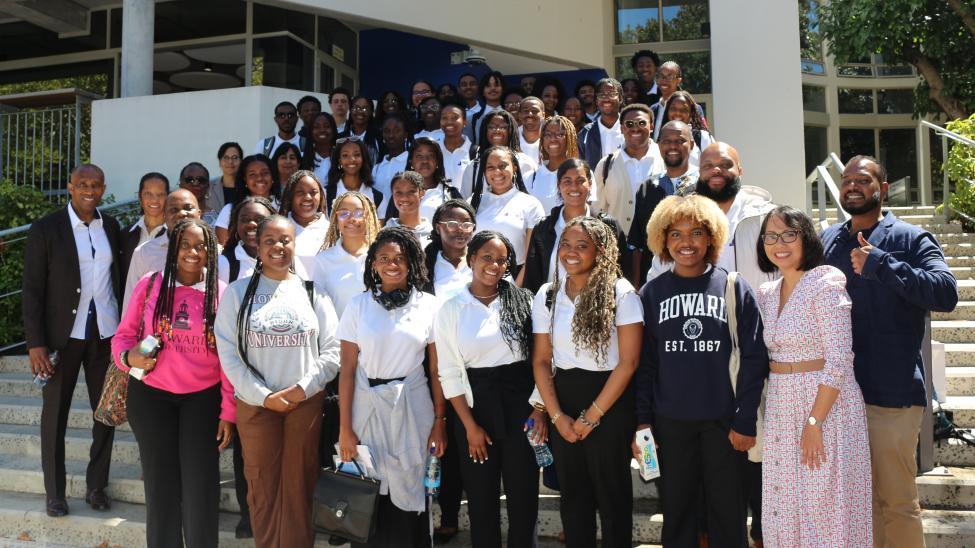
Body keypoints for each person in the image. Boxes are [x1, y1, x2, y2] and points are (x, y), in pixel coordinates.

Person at [821, 155, 958, 548]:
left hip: (892, 398)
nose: (851, 186)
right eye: (846, 179)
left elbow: (945, 293)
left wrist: (880, 263)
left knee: (896, 503)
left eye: (862, 180)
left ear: (882, 190)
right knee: (856, 505)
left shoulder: (911, 239)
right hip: (839, 398)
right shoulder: (829, 240)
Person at [636, 194, 768, 548]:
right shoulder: (651, 293)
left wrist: (744, 421)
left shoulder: (733, 286)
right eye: (675, 234)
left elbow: (754, 358)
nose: (686, 242)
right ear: (662, 240)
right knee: (677, 515)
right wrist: (642, 423)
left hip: (723, 424)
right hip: (670, 424)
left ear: (711, 238)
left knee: (728, 514)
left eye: (695, 232)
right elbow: (644, 365)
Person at [215, 215, 341, 548]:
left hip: (305, 403)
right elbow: (228, 352)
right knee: (262, 485)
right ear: (258, 245)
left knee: (300, 484)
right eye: (270, 240)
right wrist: (262, 395)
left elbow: (333, 351)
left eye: (285, 240)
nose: (278, 247)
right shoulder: (238, 294)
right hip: (257, 406)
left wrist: (303, 388)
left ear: (294, 244)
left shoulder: (313, 293)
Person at [112, 218, 235, 547]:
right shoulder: (150, 284)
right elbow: (123, 336)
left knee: (200, 486)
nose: (192, 252)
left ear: (211, 252)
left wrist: (228, 411)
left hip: (203, 400)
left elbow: (228, 357)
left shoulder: (222, 294)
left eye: (201, 246)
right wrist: (128, 358)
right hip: (151, 398)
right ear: (173, 249)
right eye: (185, 245)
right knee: (160, 486)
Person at [755, 206, 873, 547]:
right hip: (781, 407)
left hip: (825, 407)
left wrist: (813, 422)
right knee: (784, 503)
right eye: (771, 236)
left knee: (825, 505)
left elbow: (839, 358)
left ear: (805, 238)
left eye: (789, 234)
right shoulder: (766, 293)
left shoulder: (826, 281)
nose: (780, 243)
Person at [530, 216, 643, 547]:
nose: (571, 252)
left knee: (613, 499)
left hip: (610, 402)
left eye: (582, 246)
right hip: (563, 399)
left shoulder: (621, 293)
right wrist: (556, 416)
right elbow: (540, 361)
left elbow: (629, 362)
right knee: (573, 500)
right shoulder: (547, 295)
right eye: (566, 244)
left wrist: (592, 415)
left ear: (601, 250)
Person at [336, 227, 448, 548]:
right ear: (373, 263)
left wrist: (440, 423)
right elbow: (347, 370)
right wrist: (345, 429)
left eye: (400, 258)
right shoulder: (357, 306)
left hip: (412, 410)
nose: (392, 264)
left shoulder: (429, 306)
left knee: (410, 497)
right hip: (365, 410)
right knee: (369, 497)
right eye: (384, 258)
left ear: (412, 263)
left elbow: (437, 369)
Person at [23, 164, 121, 517]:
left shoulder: (110, 225)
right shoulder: (46, 228)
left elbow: (118, 278)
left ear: (103, 188)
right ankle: (55, 493)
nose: (89, 190)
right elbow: (32, 290)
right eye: (82, 184)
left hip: (104, 335)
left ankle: (97, 487)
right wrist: (35, 344)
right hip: (61, 339)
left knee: (105, 415)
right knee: (55, 418)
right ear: (69, 187)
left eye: (96, 185)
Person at [435, 231, 542, 547]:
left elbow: (542, 361)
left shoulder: (525, 301)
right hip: (475, 413)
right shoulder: (451, 309)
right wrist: (469, 426)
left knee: (524, 500)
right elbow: (450, 373)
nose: (494, 265)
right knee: (481, 502)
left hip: (522, 410)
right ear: (471, 260)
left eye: (501, 260)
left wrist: (539, 410)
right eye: (486, 257)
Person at [523, 158, 628, 293]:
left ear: (590, 184)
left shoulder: (608, 226)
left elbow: (622, 272)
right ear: (558, 186)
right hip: (551, 308)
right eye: (567, 181)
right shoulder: (543, 228)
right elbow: (532, 279)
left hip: (597, 308)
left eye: (580, 181)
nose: (574, 187)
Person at [626, 121, 695, 286]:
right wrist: (637, 287)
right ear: (658, 145)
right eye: (666, 141)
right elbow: (638, 244)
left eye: (679, 141)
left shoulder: (705, 185)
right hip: (658, 284)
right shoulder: (647, 188)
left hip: (697, 279)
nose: (673, 146)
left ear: (691, 144)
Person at [470, 145, 546, 282]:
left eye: (502, 166)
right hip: (476, 279)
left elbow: (531, 258)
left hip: (516, 280)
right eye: (490, 167)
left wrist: (515, 292)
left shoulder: (531, 204)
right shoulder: (473, 202)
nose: (497, 172)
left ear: (515, 168)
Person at [123, 189, 201, 314]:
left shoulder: (214, 253)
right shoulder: (144, 252)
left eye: (188, 207)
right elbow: (131, 304)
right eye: (173, 210)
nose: (182, 213)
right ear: (164, 216)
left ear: (199, 213)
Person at [592, 103, 664, 238]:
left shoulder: (665, 160)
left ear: (652, 126)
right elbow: (597, 210)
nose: (635, 128)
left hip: (659, 245)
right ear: (621, 128)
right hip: (619, 246)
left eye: (642, 123)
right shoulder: (606, 165)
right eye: (629, 124)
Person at [312, 191, 382, 317]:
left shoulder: (381, 257)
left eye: (359, 213)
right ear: (335, 219)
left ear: (368, 217)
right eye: (344, 213)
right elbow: (319, 309)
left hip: (376, 335)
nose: (351, 219)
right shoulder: (323, 260)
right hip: (337, 336)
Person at [460, 109, 536, 198]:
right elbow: (464, 202)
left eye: (503, 127)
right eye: (491, 127)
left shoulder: (526, 163)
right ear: (485, 131)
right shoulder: (473, 166)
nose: (497, 130)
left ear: (511, 131)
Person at [215, 154, 280, 245]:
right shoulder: (229, 210)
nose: (259, 178)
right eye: (252, 174)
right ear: (244, 179)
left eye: (265, 173)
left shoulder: (284, 207)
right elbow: (223, 247)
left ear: (272, 176)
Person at [399, 137, 464, 221]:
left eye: (430, 155)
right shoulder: (399, 193)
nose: (425, 161)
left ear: (437, 161)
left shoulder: (451, 194)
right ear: (411, 162)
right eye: (419, 156)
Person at [423, 199, 476, 301]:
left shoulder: (482, 259)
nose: (460, 229)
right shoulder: (426, 264)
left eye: (466, 224)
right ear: (438, 228)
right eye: (452, 224)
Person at [120, 173, 169, 284]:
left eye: (160, 194)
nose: (154, 200)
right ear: (139, 197)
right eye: (148, 194)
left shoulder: (174, 236)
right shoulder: (124, 236)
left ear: (167, 197)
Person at [217, 196, 278, 284]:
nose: (251, 224)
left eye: (260, 219)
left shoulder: (286, 259)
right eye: (244, 220)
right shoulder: (224, 263)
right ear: (236, 225)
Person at [280, 170, 329, 276]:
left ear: (321, 196)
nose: (307, 197)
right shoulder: (279, 229)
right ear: (290, 197)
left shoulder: (332, 231)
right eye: (300, 192)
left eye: (313, 192)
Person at [526, 116, 579, 212]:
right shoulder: (531, 177)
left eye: (560, 134)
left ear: (569, 138)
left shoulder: (581, 174)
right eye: (548, 135)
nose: (553, 139)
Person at [324, 137, 383, 215]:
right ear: (339, 160)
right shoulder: (325, 195)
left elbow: (379, 227)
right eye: (345, 155)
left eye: (357, 155)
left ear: (363, 159)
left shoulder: (378, 197)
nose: (352, 159)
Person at [577, 77, 625, 168]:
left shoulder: (630, 128)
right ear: (596, 101)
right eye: (601, 95)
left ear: (620, 98)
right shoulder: (585, 133)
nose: (606, 99)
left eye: (612, 94)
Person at [650, 62, 704, 141]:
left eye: (670, 76)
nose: (664, 80)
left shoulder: (694, 108)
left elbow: (701, 135)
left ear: (678, 80)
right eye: (661, 76)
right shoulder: (652, 109)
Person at [661, 91, 713, 169]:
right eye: (673, 108)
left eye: (684, 110)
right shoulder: (660, 139)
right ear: (667, 111)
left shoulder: (702, 138)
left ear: (691, 114)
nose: (678, 113)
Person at [384, 171, 434, 247]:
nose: (404, 198)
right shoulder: (384, 234)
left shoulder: (433, 235)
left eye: (411, 192)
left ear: (421, 193)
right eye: (399, 192)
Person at [372, 113, 411, 199]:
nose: (391, 135)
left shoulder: (412, 163)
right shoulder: (376, 168)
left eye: (397, 130)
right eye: (387, 131)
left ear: (406, 135)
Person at [439, 99, 473, 188]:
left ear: (465, 122)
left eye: (454, 117)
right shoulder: (433, 151)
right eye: (444, 118)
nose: (449, 122)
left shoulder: (475, 151)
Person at [340, 95, 383, 166]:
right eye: (356, 108)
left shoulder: (380, 138)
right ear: (350, 110)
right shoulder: (340, 138)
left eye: (365, 109)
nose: (360, 111)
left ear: (371, 112)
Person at [300, 111, 338, 185]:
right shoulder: (303, 158)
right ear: (311, 131)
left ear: (333, 129)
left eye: (327, 126)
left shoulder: (341, 155)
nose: (322, 130)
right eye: (317, 127)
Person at [469, 71, 505, 146]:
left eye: (496, 85)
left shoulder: (511, 115)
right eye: (488, 86)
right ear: (482, 91)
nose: (493, 88)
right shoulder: (474, 118)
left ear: (503, 89)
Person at [179, 162, 219, 226]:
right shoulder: (171, 216)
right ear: (181, 184)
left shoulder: (219, 220)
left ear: (207, 186)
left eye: (201, 180)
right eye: (189, 180)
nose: (195, 184)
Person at [517, 97, 545, 169]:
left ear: (543, 115)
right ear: (519, 115)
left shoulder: (550, 139)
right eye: (525, 111)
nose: (530, 114)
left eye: (535, 111)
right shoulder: (511, 138)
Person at [214, 142, 244, 208]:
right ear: (220, 162)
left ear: (241, 161)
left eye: (235, 157)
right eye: (226, 158)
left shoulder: (248, 186)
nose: (230, 162)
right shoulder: (209, 186)